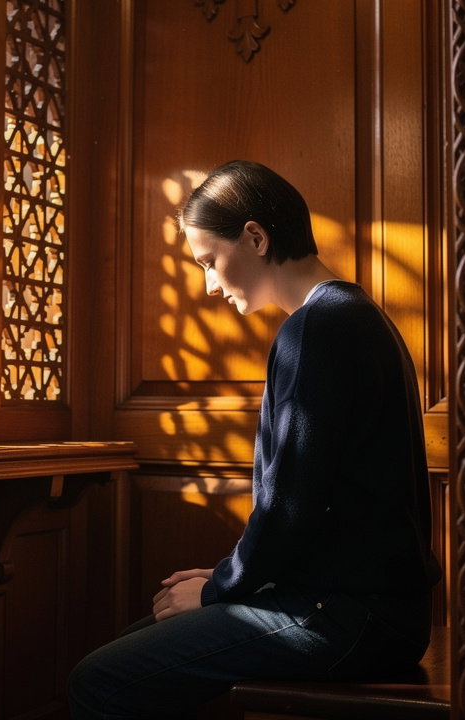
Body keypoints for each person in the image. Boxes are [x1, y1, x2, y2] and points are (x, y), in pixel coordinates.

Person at [68, 160, 442, 719]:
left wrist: (221, 589)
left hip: (348, 617)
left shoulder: (317, 328)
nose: (208, 284)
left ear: (256, 236)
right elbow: (312, 502)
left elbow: (290, 506)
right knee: (137, 640)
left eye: (209, 262)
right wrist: (228, 579)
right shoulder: (354, 314)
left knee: (98, 681)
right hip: (368, 610)